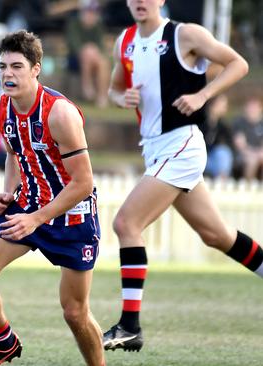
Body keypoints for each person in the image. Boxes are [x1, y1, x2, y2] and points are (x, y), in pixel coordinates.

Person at [102, 0, 263, 353]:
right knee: (215, 235)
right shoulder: (124, 41)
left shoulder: (185, 34)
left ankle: (130, 325)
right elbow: (113, 89)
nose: (141, 1)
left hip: (183, 143)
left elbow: (239, 63)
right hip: (155, 148)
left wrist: (203, 94)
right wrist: (121, 97)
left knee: (126, 224)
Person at [0, 30, 105, 366]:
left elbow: (84, 182)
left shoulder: (60, 114)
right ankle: (4, 341)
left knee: (74, 312)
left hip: (72, 216)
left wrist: (37, 218)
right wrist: (9, 191)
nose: (8, 74)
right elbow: (15, 154)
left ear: (36, 69)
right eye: (2, 66)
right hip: (27, 205)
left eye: (16, 66)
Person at [64, 0, 110, 107]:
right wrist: (86, 50)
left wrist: (93, 50)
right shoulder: (74, 24)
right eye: (89, 11)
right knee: (87, 55)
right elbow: (73, 45)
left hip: (95, 58)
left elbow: (100, 45)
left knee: (103, 62)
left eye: (94, 12)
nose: (91, 14)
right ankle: (88, 88)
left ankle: (101, 96)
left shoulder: (98, 25)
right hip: (75, 59)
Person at [201, 94, 234, 179]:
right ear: (212, 105)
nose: (225, 108)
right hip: (199, 157)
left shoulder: (223, 126)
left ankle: (222, 179)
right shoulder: (199, 123)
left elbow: (229, 144)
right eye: (222, 105)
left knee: (223, 151)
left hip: (214, 159)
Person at [232, 96, 263, 180]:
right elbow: (240, 146)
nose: (252, 110)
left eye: (254, 107)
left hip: (258, 154)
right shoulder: (239, 123)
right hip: (242, 155)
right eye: (250, 107)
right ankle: (248, 186)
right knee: (252, 160)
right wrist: (255, 154)